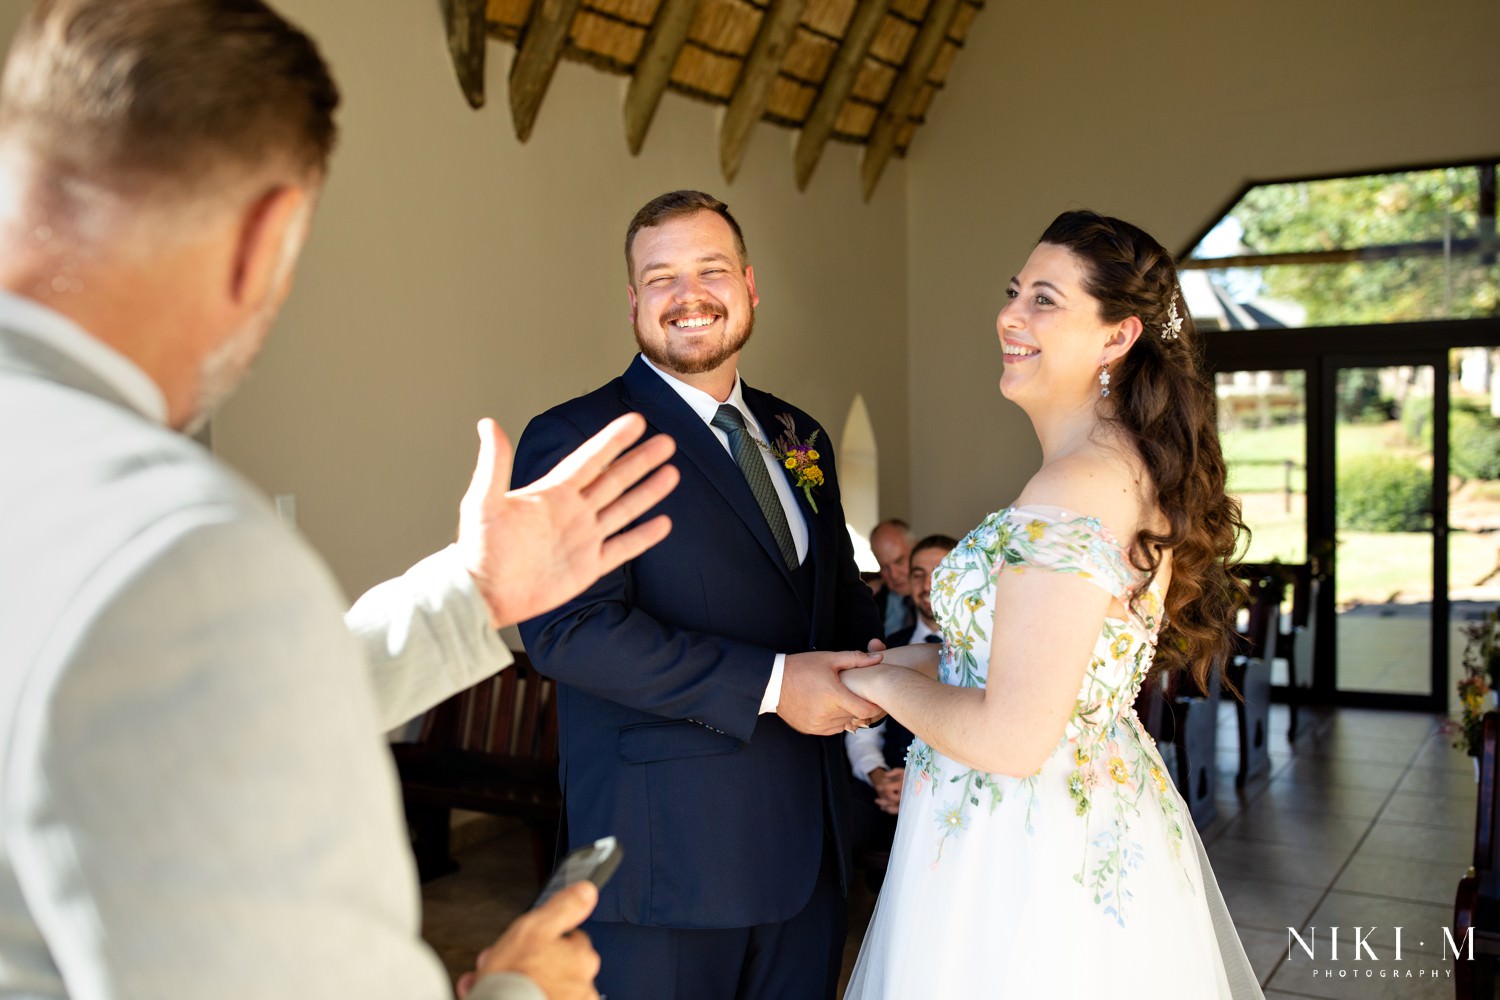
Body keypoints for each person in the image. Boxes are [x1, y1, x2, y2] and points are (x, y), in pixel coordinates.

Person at [0, 2, 681, 998]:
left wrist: (470, 597)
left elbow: (170, 735)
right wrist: (517, 987)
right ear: (268, 235)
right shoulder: (181, 554)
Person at [841, 211, 1263, 998]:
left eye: (1044, 299)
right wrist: (875, 660)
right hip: (1076, 819)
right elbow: (1015, 664)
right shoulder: (1116, 470)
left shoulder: (1072, 491)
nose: (1009, 315)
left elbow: (1011, 738)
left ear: (1116, 336)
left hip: (1023, 853)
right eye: (1013, 292)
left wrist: (876, 688)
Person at [511, 190, 884, 1000]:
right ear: (634, 301)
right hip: (667, 861)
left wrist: (885, 669)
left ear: (749, 284)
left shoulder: (799, 436)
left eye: (710, 269)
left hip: (813, 852)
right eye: (661, 277)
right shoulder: (578, 440)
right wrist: (780, 687)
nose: (689, 295)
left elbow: (835, 604)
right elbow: (568, 633)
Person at [844, 533, 956, 876]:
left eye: (940, 570)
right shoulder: (887, 650)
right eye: (918, 572)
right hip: (889, 801)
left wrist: (920, 783)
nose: (927, 582)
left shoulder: (987, 653)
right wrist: (880, 777)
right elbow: (861, 731)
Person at [868, 519, 916, 637]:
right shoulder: (873, 598)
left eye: (899, 561)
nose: (893, 575)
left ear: (916, 549)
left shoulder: (944, 594)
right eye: (884, 566)